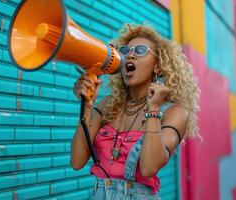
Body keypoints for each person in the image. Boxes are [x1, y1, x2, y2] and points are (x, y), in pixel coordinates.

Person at [71, 24, 200, 199]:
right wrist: (87, 107)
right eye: (125, 50)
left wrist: (153, 109)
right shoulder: (107, 104)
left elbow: (149, 167)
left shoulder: (174, 112)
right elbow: (77, 162)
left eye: (140, 50)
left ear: (157, 66)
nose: (130, 54)